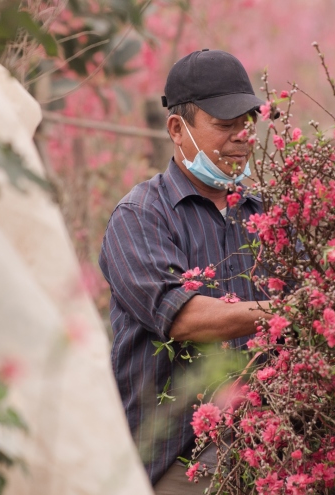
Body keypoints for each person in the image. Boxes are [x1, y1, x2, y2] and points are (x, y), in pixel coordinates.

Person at [98, 49, 270, 493]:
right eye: (224, 124)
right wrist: (284, 310)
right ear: (178, 129)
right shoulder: (141, 216)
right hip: (176, 453)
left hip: (266, 437)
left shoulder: (265, 214)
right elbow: (183, 317)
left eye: (247, 124)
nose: (241, 137)